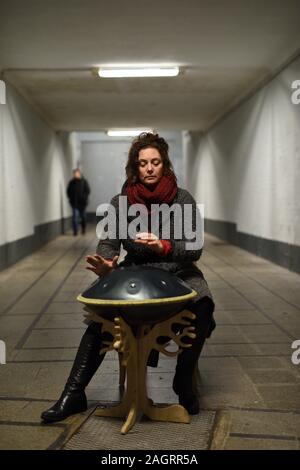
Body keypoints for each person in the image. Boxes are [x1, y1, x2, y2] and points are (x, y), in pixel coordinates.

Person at [41, 132, 215, 423]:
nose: (149, 168)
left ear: (165, 165)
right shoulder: (120, 203)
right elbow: (109, 242)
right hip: (136, 272)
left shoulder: (182, 199)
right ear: (135, 167)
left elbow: (195, 247)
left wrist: (165, 246)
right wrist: (107, 264)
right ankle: (74, 393)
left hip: (178, 271)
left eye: (155, 162)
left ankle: (183, 383)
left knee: (203, 303)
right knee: (101, 314)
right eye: (143, 162)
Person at [67, 168, 90, 236]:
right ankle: (75, 231)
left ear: (79, 174)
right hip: (74, 203)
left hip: (83, 203)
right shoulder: (71, 182)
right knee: (75, 217)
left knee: (83, 217)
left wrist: (84, 197)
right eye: (74, 173)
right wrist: (71, 199)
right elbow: (68, 191)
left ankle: (83, 229)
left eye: (76, 173)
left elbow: (88, 191)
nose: (75, 174)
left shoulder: (84, 181)